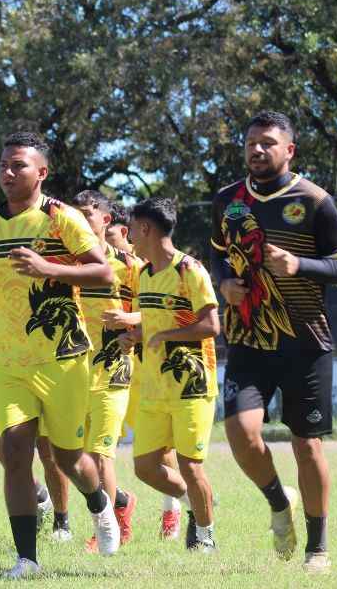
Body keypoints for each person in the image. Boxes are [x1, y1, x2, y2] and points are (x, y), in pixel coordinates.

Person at [0, 131, 119, 579]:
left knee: (68, 458)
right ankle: (27, 559)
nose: (8, 173)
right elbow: (0, 283)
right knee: (15, 453)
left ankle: (99, 502)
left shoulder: (62, 218)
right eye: (3, 166)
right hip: (9, 359)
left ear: (41, 172)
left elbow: (105, 272)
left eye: (19, 166)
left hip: (63, 357)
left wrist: (49, 267)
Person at [211, 111, 337, 573]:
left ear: (289, 150)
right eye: (251, 142)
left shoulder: (315, 201)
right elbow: (220, 259)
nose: (257, 149)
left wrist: (299, 265)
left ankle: (318, 548)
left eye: (268, 143)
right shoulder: (226, 200)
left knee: (306, 444)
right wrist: (225, 284)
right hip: (250, 340)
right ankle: (278, 501)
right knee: (240, 432)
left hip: (306, 344)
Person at [119, 197, 220, 553]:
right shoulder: (144, 275)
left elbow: (211, 325)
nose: (127, 232)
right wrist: (136, 335)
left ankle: (205, 539)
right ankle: (199, 501)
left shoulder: (189, 270)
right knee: (145, 467)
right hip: (153, 387)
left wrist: (164, 336)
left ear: (145, 229)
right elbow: (155, 321)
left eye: (131, 226)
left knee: (192, 467)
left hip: (192, 386)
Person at [104, 201, 184, 541]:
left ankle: (174, 508)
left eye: (108, 233)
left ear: (125, 231)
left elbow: (156, 312)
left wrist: (131, 321)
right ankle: (115, 509)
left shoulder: (142, 268)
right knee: (95, 450)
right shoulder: (90, 263)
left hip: (142, 366)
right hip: (102, 367)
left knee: (162, 449)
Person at [72, 190, 142, 549]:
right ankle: (121, 503)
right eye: (76, 214)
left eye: (87, 214)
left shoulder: (130, 267)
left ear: (106, 220)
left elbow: (160, 311)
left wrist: (131, 319)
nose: (81, 221)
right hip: (70, 373)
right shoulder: (63, 265)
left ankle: (104, 531)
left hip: (113, 372)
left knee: (101, 457)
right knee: (72, 458)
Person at [0, 301, 71, 542]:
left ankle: (62, 521)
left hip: (48, 361)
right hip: (9, 362)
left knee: (48, 451)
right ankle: (39, 494)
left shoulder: (51, 262)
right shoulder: (1, 263)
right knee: (0, 443)